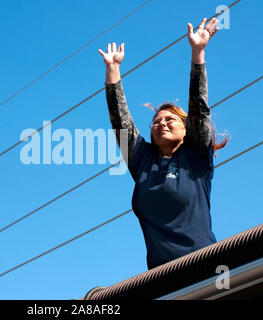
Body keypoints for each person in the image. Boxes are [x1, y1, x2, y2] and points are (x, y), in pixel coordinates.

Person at [98, 18, 229, 269]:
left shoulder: (196, 156)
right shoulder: (143, 161)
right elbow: (120, 121)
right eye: (156, 122)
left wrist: (198, 53)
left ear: (186, 128)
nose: (161, 124)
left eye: (170, 120)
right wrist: (113, 69)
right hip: (161, 277)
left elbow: (198, 107)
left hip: (204, 265)